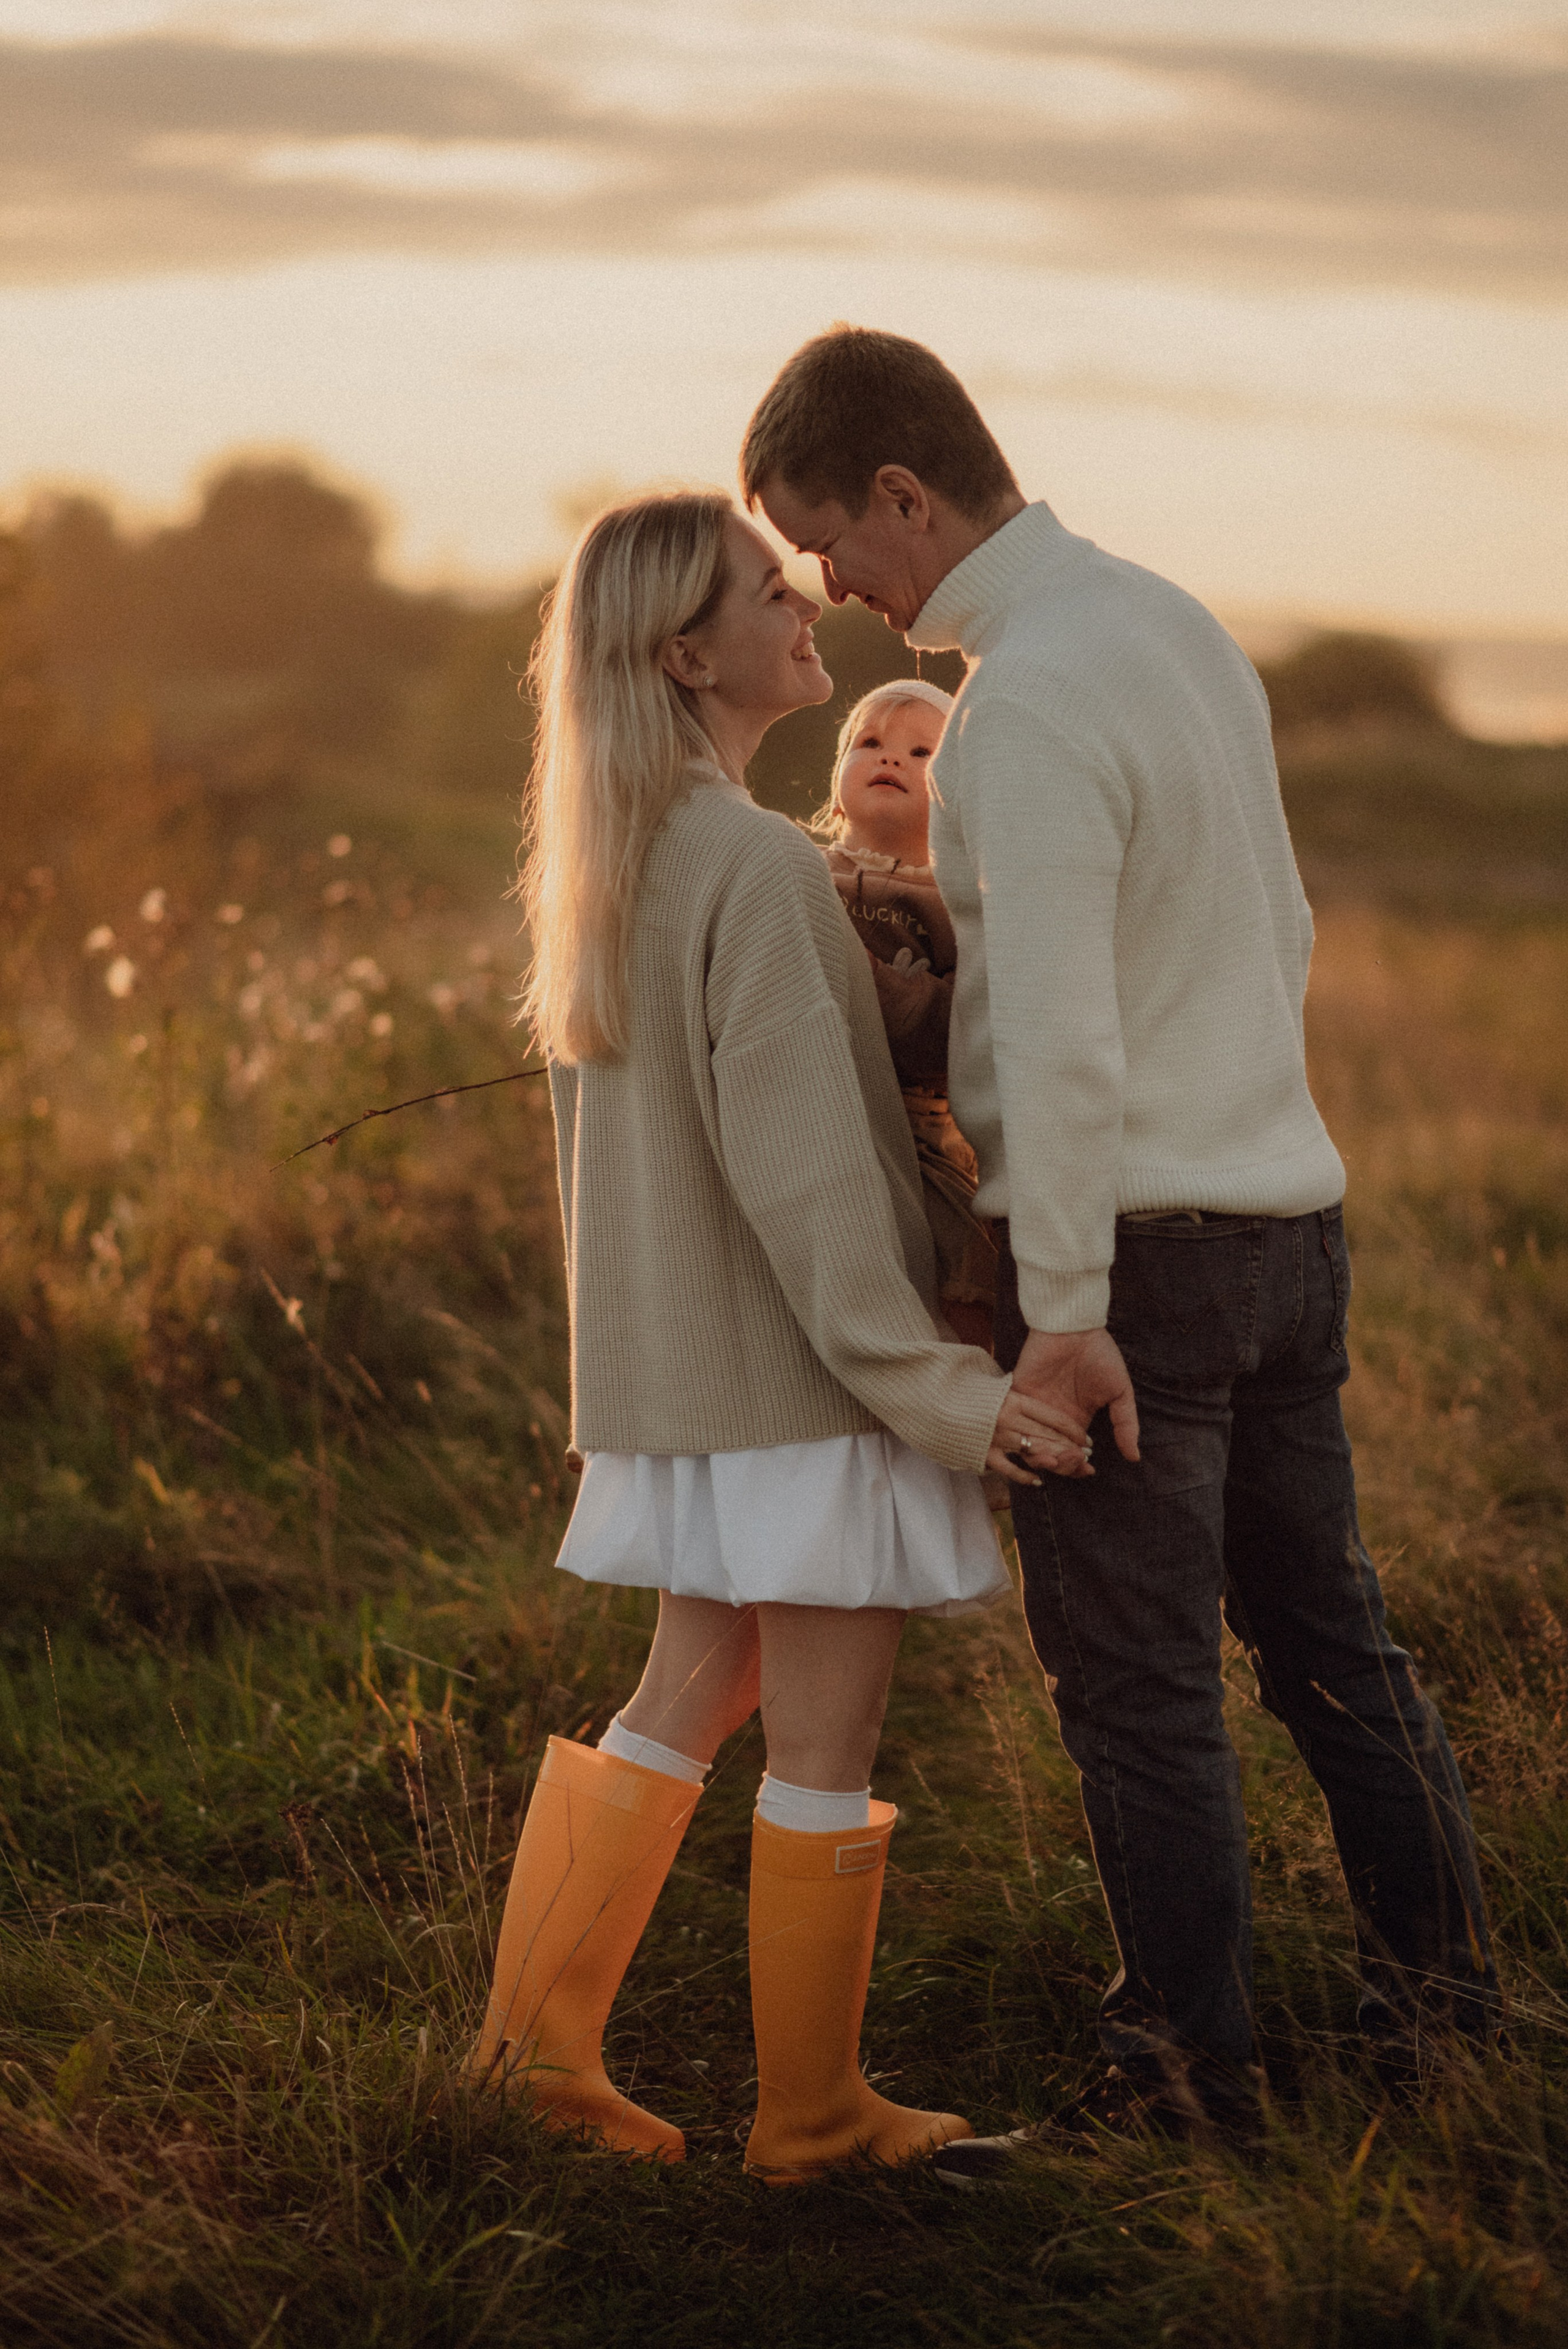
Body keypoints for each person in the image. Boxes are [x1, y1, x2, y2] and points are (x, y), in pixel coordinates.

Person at [741, 327, 1499, 2162]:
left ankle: (1178, 2086)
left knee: (1139, 1687)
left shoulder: (1026, 708)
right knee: (1332, 1647)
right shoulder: (1171, 626)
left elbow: (1059, 1035)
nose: (828, 586)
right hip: (1285, 1219)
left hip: (1132, 1262)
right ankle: (1448, 2025)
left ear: (905, 493)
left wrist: (1064, 1308)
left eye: (827, 538)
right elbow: (1280, 922)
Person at [467, 488, 1085, 2184]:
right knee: (821, 1738)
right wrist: (939, 1391)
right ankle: (813, 2118)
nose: (806, 600)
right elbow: (807, 1175)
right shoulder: (749, 861)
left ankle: (529, 2061)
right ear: (686, 655)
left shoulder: (621, 855)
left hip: (689, 1381)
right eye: (766, 591)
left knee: (689, 1689)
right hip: (808, 1379)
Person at [814, 679, 997, 1353]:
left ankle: (973, 1373)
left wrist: (884, 991)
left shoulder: (960, 903)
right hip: (813, 1108)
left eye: (923, 753)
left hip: (920, 1134)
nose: (890, 758)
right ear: (837, 791)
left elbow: (967, 1028)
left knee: (962, 1260)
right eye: (868, 743)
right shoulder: (803, 870)